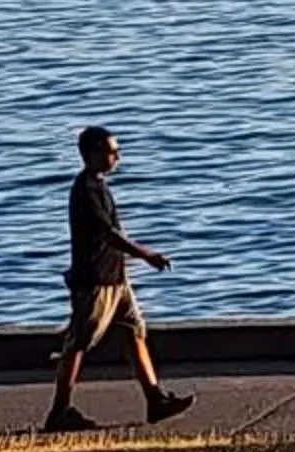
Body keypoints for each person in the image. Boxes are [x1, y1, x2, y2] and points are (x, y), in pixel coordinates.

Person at [44, 125, 192, 432]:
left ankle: (155, 399)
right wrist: (146, 255)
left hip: (116, 279)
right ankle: (60, 411)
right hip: (96, 281)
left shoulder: (99, 186)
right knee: (79, 343)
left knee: (133, 331)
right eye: (112, 151)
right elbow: (108, 234)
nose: (118, 156)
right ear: (92, 154)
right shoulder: (85, 189)